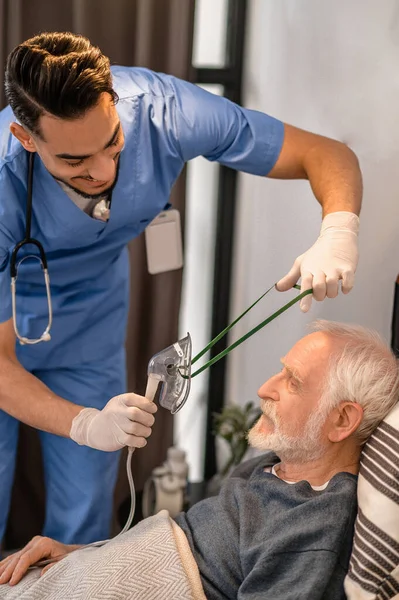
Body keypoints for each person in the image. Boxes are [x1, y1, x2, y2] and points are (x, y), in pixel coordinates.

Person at [0, 31, 362, 545]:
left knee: (83, 511)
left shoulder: (165, 113)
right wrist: (83, 423)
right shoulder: (2, 181)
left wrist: (338, 230)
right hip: (5, 327)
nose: (104, 172)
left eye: (111, 144)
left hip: (92, 315)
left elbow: (324, 153)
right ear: (27, 139)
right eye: (76, 163)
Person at [0, 320, 397, 600]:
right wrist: (78, 554)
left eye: (291, 381)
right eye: (280, 372)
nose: (264, 388)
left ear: (342, 420)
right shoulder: (267, 471)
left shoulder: (312, 524)